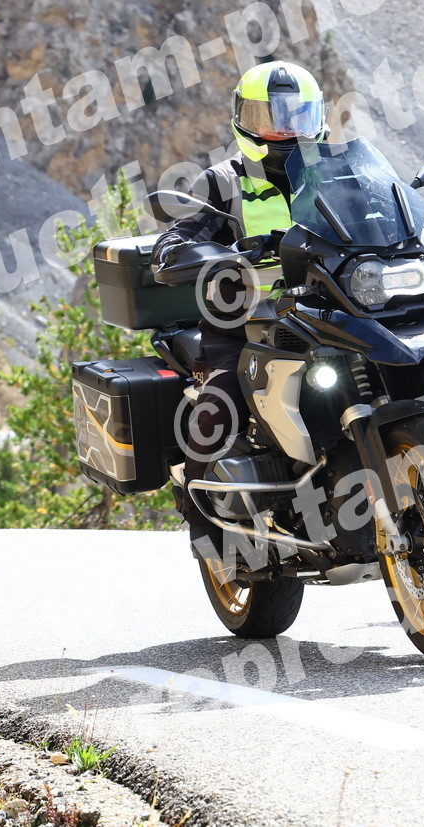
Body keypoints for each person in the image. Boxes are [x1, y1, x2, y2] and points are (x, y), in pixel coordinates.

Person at [152, 60, 327, 547]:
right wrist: (185, 251)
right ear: (243, 120)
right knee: (222, 398)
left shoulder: (336, 174)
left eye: (297, 116)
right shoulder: (222, 181)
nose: (284, 130)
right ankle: (204, 524)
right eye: (269, 117)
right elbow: (178, 235)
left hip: (328, 312)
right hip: (245, 324)